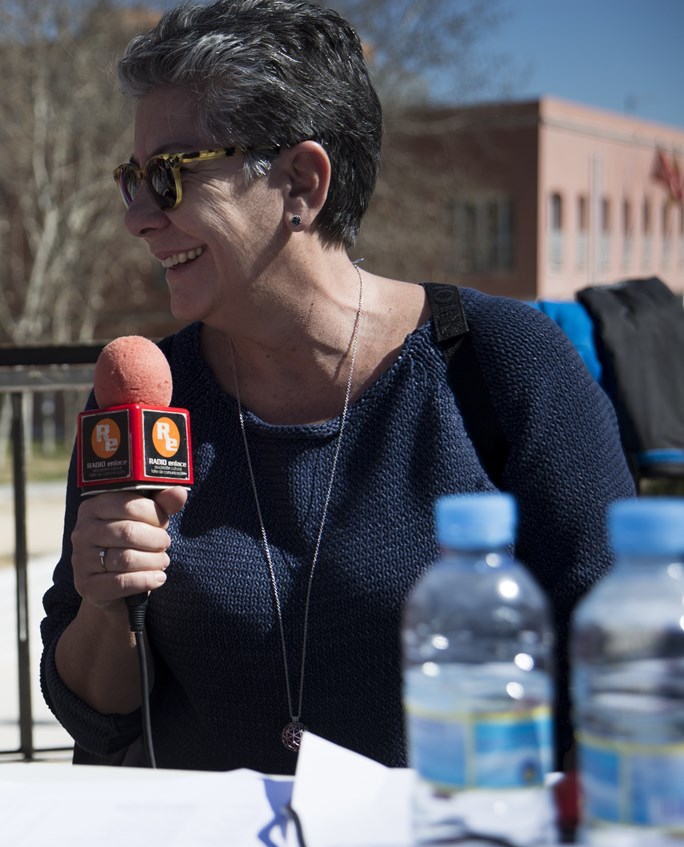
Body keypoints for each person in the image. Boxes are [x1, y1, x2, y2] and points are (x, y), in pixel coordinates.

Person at [39, 0, 635, 776]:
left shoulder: (501, 363)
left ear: (301, 182)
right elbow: (96, 714)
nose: (138, 218)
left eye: (169, 174)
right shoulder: (147, 397)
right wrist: (105, 599)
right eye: (132, 179)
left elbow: (623, 661)